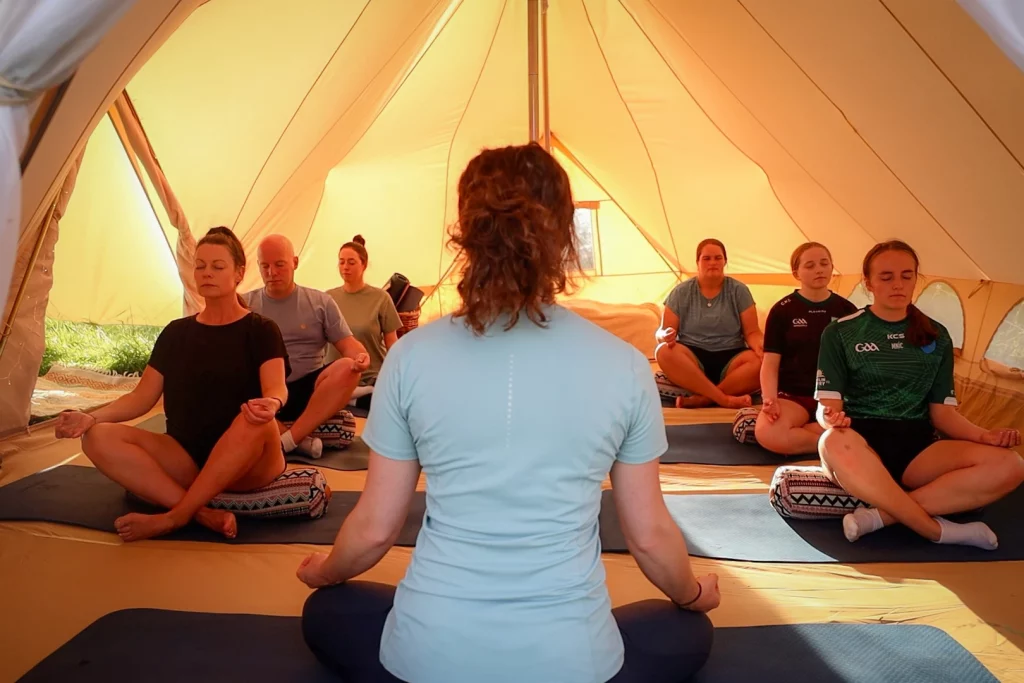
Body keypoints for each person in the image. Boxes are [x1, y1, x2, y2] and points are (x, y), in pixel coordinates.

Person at [295, 143, 719, 683]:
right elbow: (650, 537)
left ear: (466, 234)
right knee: (687, 627)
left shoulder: (410, 357)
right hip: (574, 663)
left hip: (427, 658)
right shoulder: (625, 366)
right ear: (564, 239)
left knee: (327, 608)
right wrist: (694, 594)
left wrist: (325, 571)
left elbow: (375, 530)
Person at [53, 227, 293, 542]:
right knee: (96, 436)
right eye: (200, 266)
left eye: (218, 266)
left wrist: (272, 403)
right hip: (188, 460)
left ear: (238, 273)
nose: (207, 273)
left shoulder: (261, 330)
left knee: (256, 418)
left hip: (250, 463)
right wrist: (90, 417)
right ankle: (202, 513)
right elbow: (141, 397)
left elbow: (276, 388)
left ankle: (174, 517)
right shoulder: (176, 333)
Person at [815, 240, 1023, 549]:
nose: (898, 284)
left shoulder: (936, 336)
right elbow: (827, 408)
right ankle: (938, 531)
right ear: (868, 282)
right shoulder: (840, 332)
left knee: (1012, 465)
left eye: (906, 275)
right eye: (886, 277)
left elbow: (943, 414)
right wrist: (829, 418)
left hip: (918, 451)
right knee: (831, 440)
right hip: (857, 443)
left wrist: (984, 436)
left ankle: (881, 517)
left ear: (916, 279)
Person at [245, 234, 369, 458]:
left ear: (294, 262)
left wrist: (360, 357)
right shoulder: (244, 305)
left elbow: (348, 345)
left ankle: (287, 440)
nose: (272, 272)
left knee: (347, 368)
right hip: (263, 392)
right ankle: (299, 441)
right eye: (265, 266)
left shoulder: (320, 302)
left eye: (279, 265)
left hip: (308, 392)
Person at [755, 242, 857, 455]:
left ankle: (809, 434)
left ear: (832, 267)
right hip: (794, 397)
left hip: (834, 398)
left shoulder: (847, 310)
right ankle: (831, 443)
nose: (819, 270)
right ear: (796, 273)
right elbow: (770, 364)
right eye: (810, 266)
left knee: (868, 424)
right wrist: (769, 400)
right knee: (767, 432)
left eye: (824, 264)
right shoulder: (782, 311)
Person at [655, 239, 763, 408]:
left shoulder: (739, 290)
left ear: (725, 261)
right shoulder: (681, 292)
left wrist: (761, 347)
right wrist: (665, 335)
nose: (712, 262)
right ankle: (724, 399)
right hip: (692, 359)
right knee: (663, 352)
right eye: (706, 258)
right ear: (697, 262)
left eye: (718, 258)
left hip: (732, 358)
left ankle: (704, 399)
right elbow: (662, 331)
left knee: (763, 362)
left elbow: (752, 332)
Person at [327, 235, 402, 407]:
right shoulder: (328, 298)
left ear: (364, 265)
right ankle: (352, 397)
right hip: (335, 376)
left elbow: (392, 343)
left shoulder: (381, 298)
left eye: (351, 262)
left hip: (370, 376)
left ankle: (356, 396)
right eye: (341, 262)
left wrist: (399, 374)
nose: (345, 267)